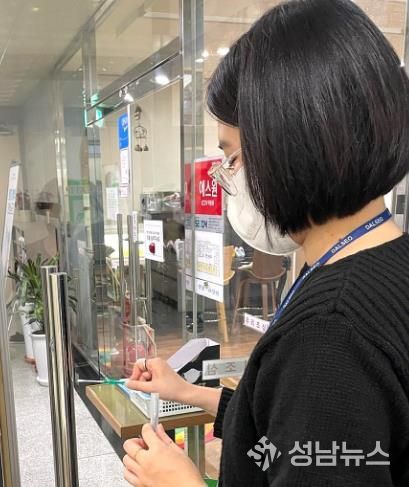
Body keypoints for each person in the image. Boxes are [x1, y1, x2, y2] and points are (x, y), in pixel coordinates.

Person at [122, 0, 409, 485]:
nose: (228, 178)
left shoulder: (329, 334)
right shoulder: (379, 265)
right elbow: (305, 438)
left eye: (232, 158)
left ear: (289, 149)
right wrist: (193, 394)